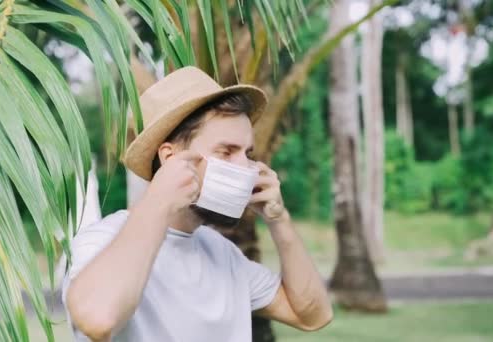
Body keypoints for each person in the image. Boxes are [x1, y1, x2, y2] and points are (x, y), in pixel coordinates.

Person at [62, 66, 333, 341]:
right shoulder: (100, 242)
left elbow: (312, 315)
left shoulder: (225, 256)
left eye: (247, 153)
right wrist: (158, 200)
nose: (248, 167)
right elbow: (97, 319)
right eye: (227, 152)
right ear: (170, 158)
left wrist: (279, 220)